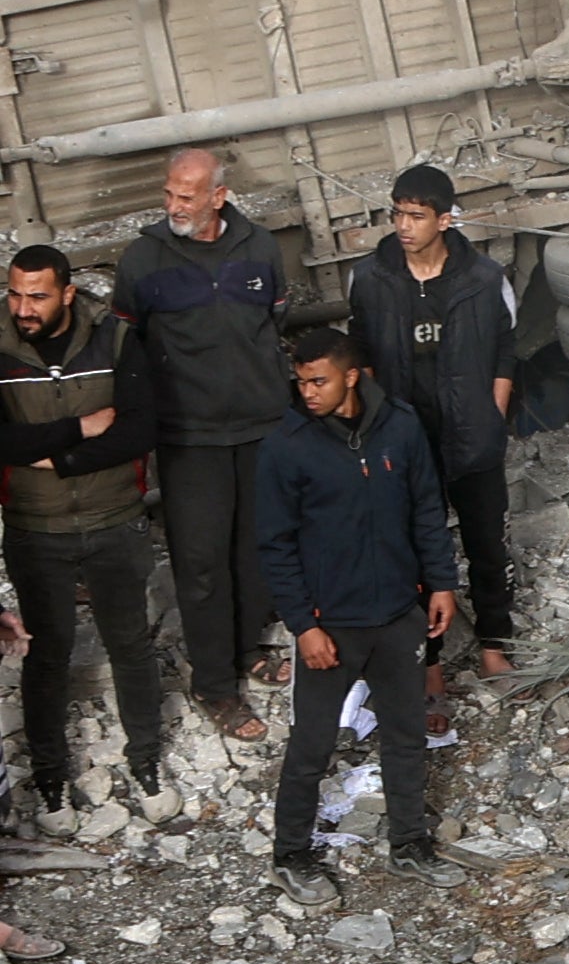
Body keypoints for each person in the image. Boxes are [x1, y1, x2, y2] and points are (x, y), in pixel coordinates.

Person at [256, 326, 463, 877]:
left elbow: (426, 509)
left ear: (352, 377)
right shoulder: (286, 446)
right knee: (311, 746)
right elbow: (274, 546)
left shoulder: (400, 426)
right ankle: (291, 855)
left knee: (405, 735)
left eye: (319, 381)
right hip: (330, 626)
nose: (308, 392)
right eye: (300, 382)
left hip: (399, 615)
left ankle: (410, 845)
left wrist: (442, 583)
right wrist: (303, 626)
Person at [122, 147, 291, 743]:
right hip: (189, 437)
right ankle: (214, 685)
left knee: (256, 549)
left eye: (186, 196)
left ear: (218, 196)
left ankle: (246, 649)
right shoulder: (143, 259)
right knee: (200, 563)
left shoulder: (261, 248)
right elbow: (131, 344)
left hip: (262, 427)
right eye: (169, 194)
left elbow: (273, 320)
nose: (174, 206)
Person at [0, 245, 160, 811]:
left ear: (67, 293)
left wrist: (60, 459)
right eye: (16, 293)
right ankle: (50, 779)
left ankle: (148, 761)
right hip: (34, 527)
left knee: (131, 645)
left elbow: (139, 428)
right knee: (47, 653)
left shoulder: (114, 338)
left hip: (115, 519)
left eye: (37, 295)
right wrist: (80, 426)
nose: (23, 307)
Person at [343, 165, 518, 681]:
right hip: (405, 442)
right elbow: (362, 353)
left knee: (487, 546)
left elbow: (505, 351)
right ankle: (431, 667)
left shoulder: (485, 279)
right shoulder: (369, 278)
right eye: (397, 213)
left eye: (415, 216)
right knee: (414, 553)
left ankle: (494, 648)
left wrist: (493, 414)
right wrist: (376, 427)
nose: (403, 226)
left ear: (444, 220)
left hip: (471, 436)